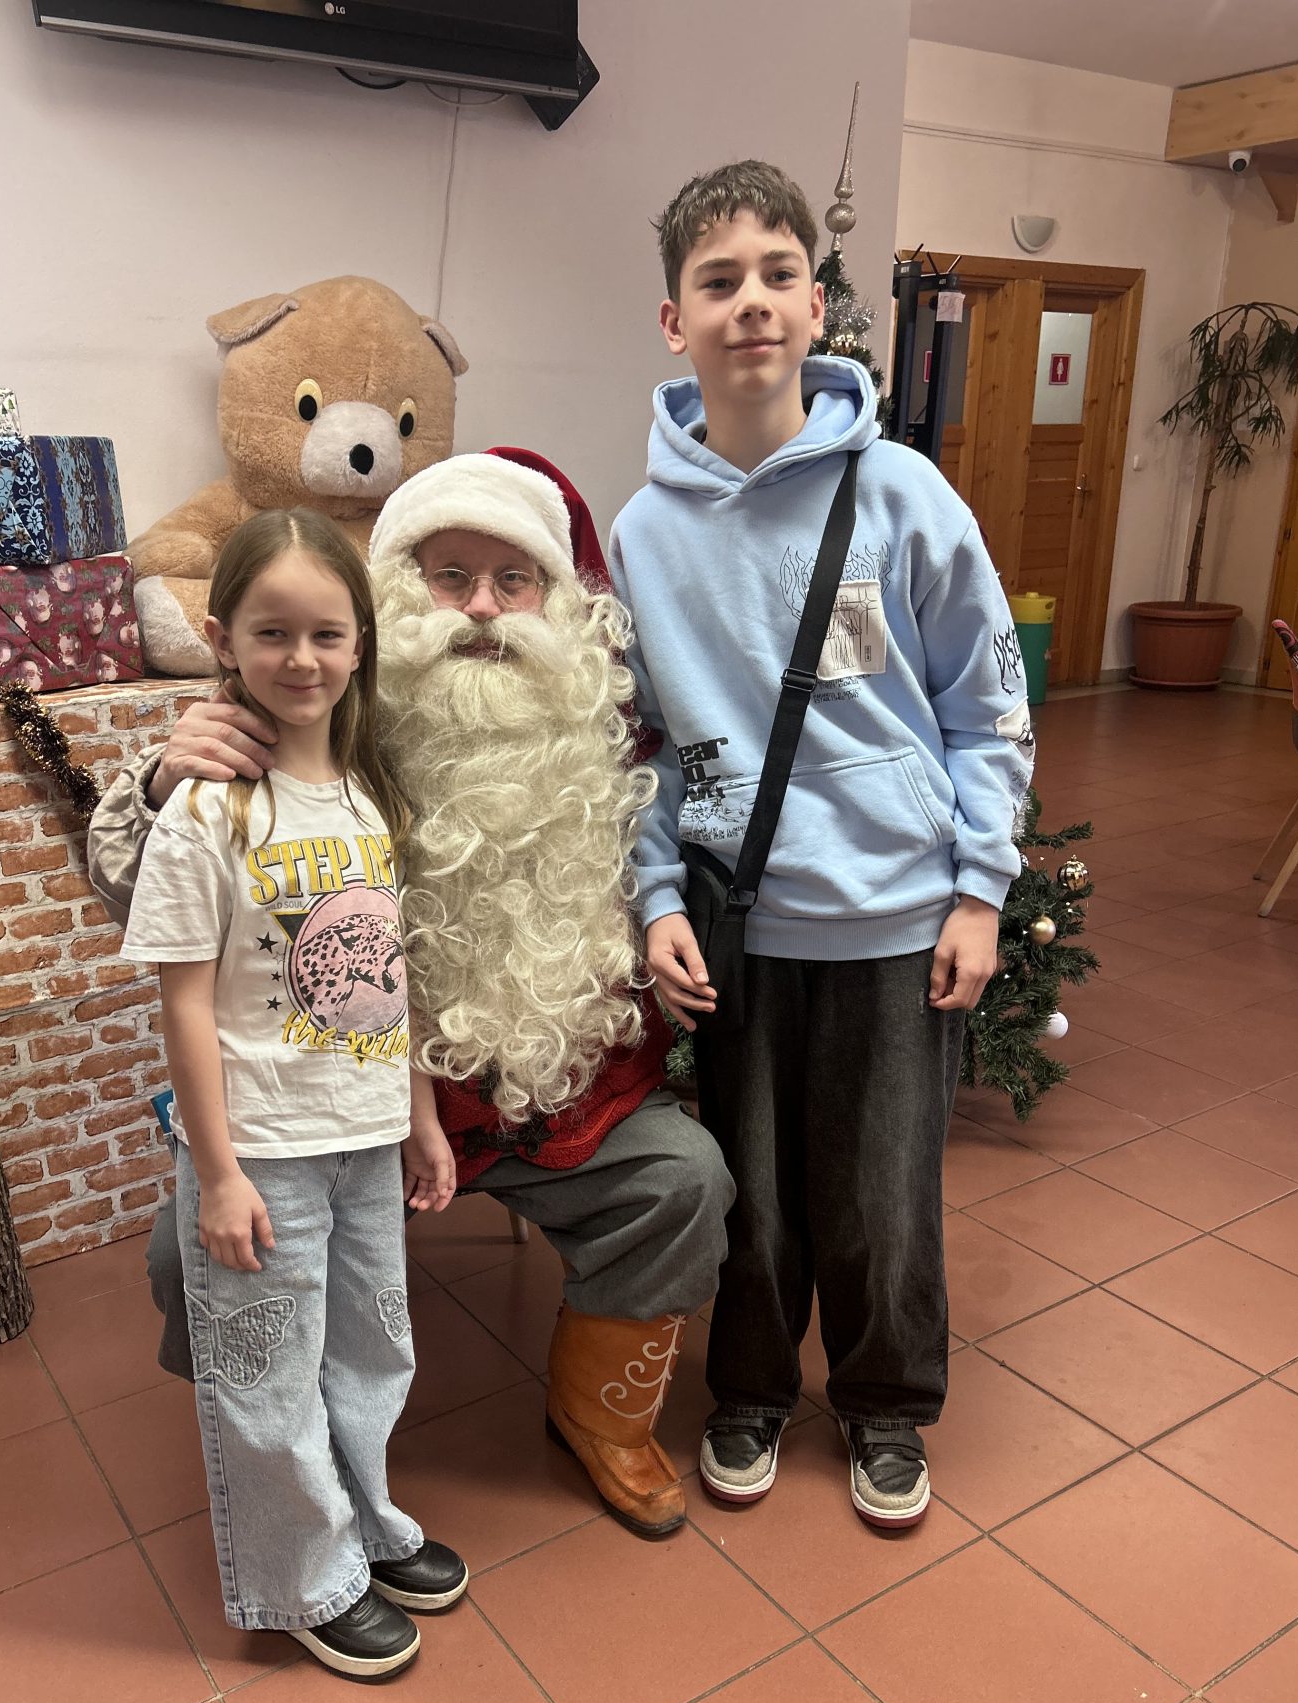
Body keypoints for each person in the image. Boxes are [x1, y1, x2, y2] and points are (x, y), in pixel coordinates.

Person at [89, 452, 733, 1541]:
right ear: (392, 598)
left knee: (682, 1181)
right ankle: (282, 1452)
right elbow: (143, 893)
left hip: (562, 1096)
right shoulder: (310, 721)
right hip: (342, 1109)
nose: (480, 608)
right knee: (181, 1254)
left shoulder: (595, 736)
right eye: (450, 575)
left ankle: (601, 1417)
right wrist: (160, 780)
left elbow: (673, 847)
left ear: (557, 603)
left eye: (513, 579)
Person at [609, 161, 1034, 1527]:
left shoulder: (903, 495)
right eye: (718, 281)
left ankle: (884, 1402)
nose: (751, 303)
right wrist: (657, 898)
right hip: (741, 924)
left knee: (886, 1196)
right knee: (752, 1194)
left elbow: (986, 703)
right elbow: (640, 744)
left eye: (777, 275)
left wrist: (980, 891)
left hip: (900, 917)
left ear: (815, 306)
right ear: (674, 320)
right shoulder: (644, 532)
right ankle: (747, 1389)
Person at [118, 507, 467, 1681]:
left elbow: (392, 975)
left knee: (371, 1351)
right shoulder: (205, 812)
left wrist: (420, 1118)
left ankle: (365, 1523)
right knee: (266, 1370)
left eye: (326, 633)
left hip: (364, 1135)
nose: (302, 658)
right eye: (272, 632)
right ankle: (303, 1579)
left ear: (361, 642)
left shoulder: (372, 798)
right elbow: (183, 1007)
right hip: (261, 1149)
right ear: (223, 640)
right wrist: (215, 1175)